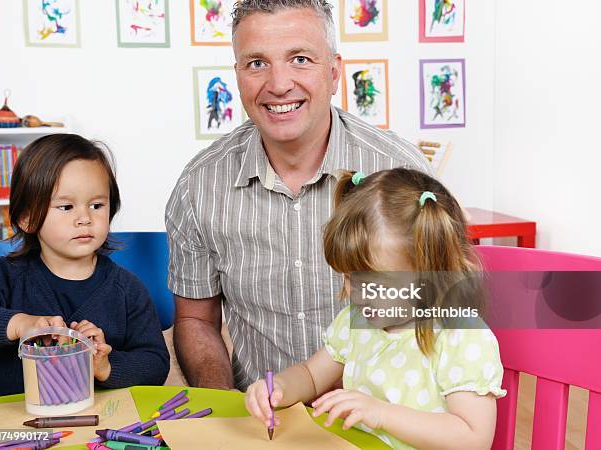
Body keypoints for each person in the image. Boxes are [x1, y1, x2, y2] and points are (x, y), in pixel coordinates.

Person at [165, 0, 432, 391]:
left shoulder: (398, 170)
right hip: (262, 420)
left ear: (335, 72)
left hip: (385, 421)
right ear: (237, 75)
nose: (278, 84)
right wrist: (222, 413)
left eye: (300, 59)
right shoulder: (199, 186)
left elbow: (443, 309)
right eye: (257, 63)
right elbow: (195, 321)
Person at [245, 168, 506, 449]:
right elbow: (310, 375)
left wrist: (381, 413)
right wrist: (279, 389)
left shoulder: (461, 337)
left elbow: (473, 438)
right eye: (349, 277)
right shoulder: (358, 322)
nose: (358, 295)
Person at [0, 134, 169, 397]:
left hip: (97, 425)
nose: (85, 218)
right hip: (16, 428)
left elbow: (156, 364)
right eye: (66, 207)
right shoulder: (6, 276)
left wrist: (106, 366)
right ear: (26, 218)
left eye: (97, 205)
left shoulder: (127, 289)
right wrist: (19, 324)